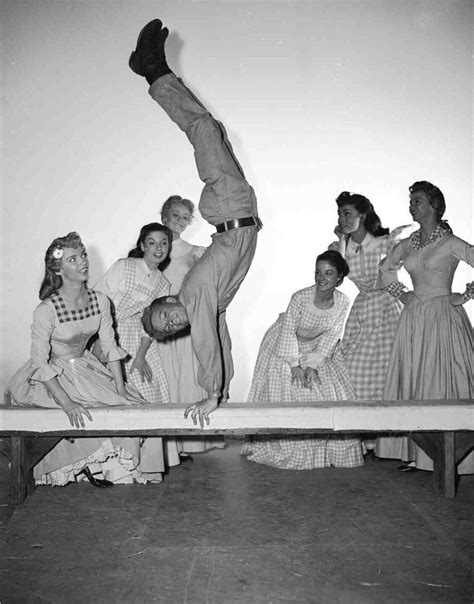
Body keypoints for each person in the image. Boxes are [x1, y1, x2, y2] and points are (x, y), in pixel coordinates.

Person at [129, 19, 262, 427]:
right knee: (210, 129)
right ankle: (152, 67)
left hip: (230, 210)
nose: (169, 323)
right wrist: (218, 391)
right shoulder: (206, 304)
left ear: (170, 300)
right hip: (238, 214)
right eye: (166, 329)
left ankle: (151, 68)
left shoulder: (196, 292)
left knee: (202, 128)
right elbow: (214, 337)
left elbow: (203, 341)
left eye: (162, 315)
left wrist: (209, 392)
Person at [7, 232, 148, 487]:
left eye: (82, 255)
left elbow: (109, 346)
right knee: (78, 413)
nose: (83, 262)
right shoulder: (46, 310)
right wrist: (67, 403)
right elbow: (40, 362)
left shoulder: (100, 300)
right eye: (72, 259)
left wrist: (119, 388)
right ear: (58, 269)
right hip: (53, 375)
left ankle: (110, 468)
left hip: (86, 367)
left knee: (127, 403)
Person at [378, 181, 473, 473]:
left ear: (434, 205)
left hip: (443, 317)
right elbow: (385, 269)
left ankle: (450, 456)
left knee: (442, 377)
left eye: (417, 201)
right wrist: (403, 294)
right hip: (415, 318)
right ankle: (413, 452)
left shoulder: (451, 242)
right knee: (414, 376)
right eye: (411, 201)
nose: (411, 205)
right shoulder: (408, 244)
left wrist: (467, 294)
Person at [241, 251, 365, 469]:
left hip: (317, 349)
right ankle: (290, 448)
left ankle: (330, 452)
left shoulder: (343, 301)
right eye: (317, 272)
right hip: (286, 344)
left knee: (327, 389)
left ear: (339, 278)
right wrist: (295, 364)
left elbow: (332, 335)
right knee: (291, 387)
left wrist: (313, 365)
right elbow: (288, 331)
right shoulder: (300, 297)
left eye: (328, 273)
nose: (321, 278)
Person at [94, 222, 181, 480]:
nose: (158, 248)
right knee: (110, 394)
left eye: (163, 243)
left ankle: (145, 468)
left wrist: (141, 355)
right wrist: (101, 340)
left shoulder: (163, 284)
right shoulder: (124, 267)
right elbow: (97, 301)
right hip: (106, 330)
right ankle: (111, 467)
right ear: (142, 245)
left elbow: (151, 324)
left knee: (150, 388)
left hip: (137, 337)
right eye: (152, 243)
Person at [329, 191, 413, 402]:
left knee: (388, 367)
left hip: (388, 308)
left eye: (347, 213)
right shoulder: (341, 248)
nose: (342, 219)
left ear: (363, 215)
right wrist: (341, 239)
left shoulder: (385, 242)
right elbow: (336, 274)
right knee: (351, 365)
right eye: (340, 214)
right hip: (363, 308)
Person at [159, 196, 225, 453]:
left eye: (185, 217)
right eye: (175, 215)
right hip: (161, 326)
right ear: (164, 215)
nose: (180, 221)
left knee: (186, 379)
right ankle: (168, 446)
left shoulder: (193, 252)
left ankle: (190, 441)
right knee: (166, 381)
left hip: (183, 323)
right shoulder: (152, 247)